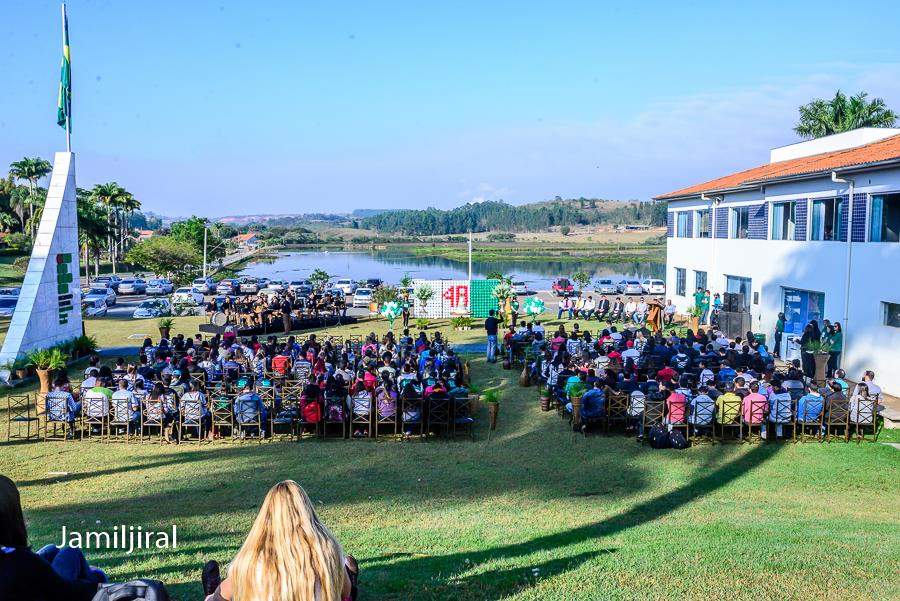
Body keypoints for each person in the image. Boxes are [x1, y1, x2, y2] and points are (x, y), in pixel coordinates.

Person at [202, 480, 358, 601]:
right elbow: (345, 593)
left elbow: (221, 596)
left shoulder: (252, 561)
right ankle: (349, 572)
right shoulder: (327, 551)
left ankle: (209, 590)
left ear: (267, 516)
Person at [0, 475, 107, 601]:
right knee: (71, 552)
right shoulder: (22, 561)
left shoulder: (20, 559)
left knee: (51, 550)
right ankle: (94, 577)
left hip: (24, 577)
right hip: (46, 591)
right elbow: (65, 592)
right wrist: (96, 582)